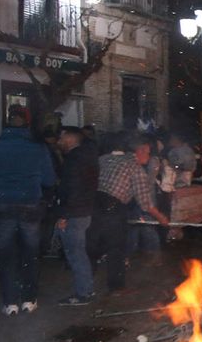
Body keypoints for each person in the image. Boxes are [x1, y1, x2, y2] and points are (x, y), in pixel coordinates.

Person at [0, 105, 57, 315]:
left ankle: (10, 303)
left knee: (7, 254)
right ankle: (29, 299)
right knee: (31, 252)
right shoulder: (38, 148)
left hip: (1, 204)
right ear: (27, 123)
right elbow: (49, 179)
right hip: (30, 204)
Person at [91, 133, 169, 294]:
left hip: (92, 205)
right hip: (112, 208)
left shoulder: (104, 159)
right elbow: (145, 203)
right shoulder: (136, 169)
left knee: (93, 245)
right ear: (139, 151)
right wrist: (161, 217)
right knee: (116, 248)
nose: (149, 156)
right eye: (147, 152)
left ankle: (86, 284)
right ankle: (116, 287)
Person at [53, 126, 99, 305]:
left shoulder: (73, 159)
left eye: (61, 138)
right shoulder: (87, 157)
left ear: (70, 139)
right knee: (78, 252)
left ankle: (83, 293)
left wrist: (64, 215)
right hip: (84, 211)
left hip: (73, 213)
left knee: (75, 253)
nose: (58, 142)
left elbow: (71, 188)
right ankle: (86, 290)